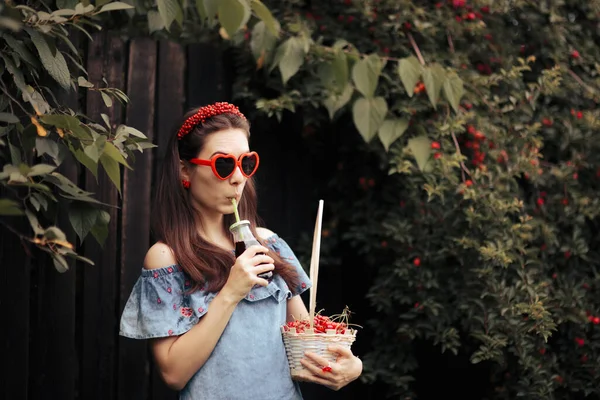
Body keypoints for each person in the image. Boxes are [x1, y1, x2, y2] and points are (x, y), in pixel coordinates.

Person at [119, 102, 362, 399]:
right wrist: (232, 291)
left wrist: (351, 366)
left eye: (245, 163)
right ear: (185, 170)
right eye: (223, 164)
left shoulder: (269, 244)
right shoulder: (167, 258)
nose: (238, 178)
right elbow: (173, 373)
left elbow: (306, 344)